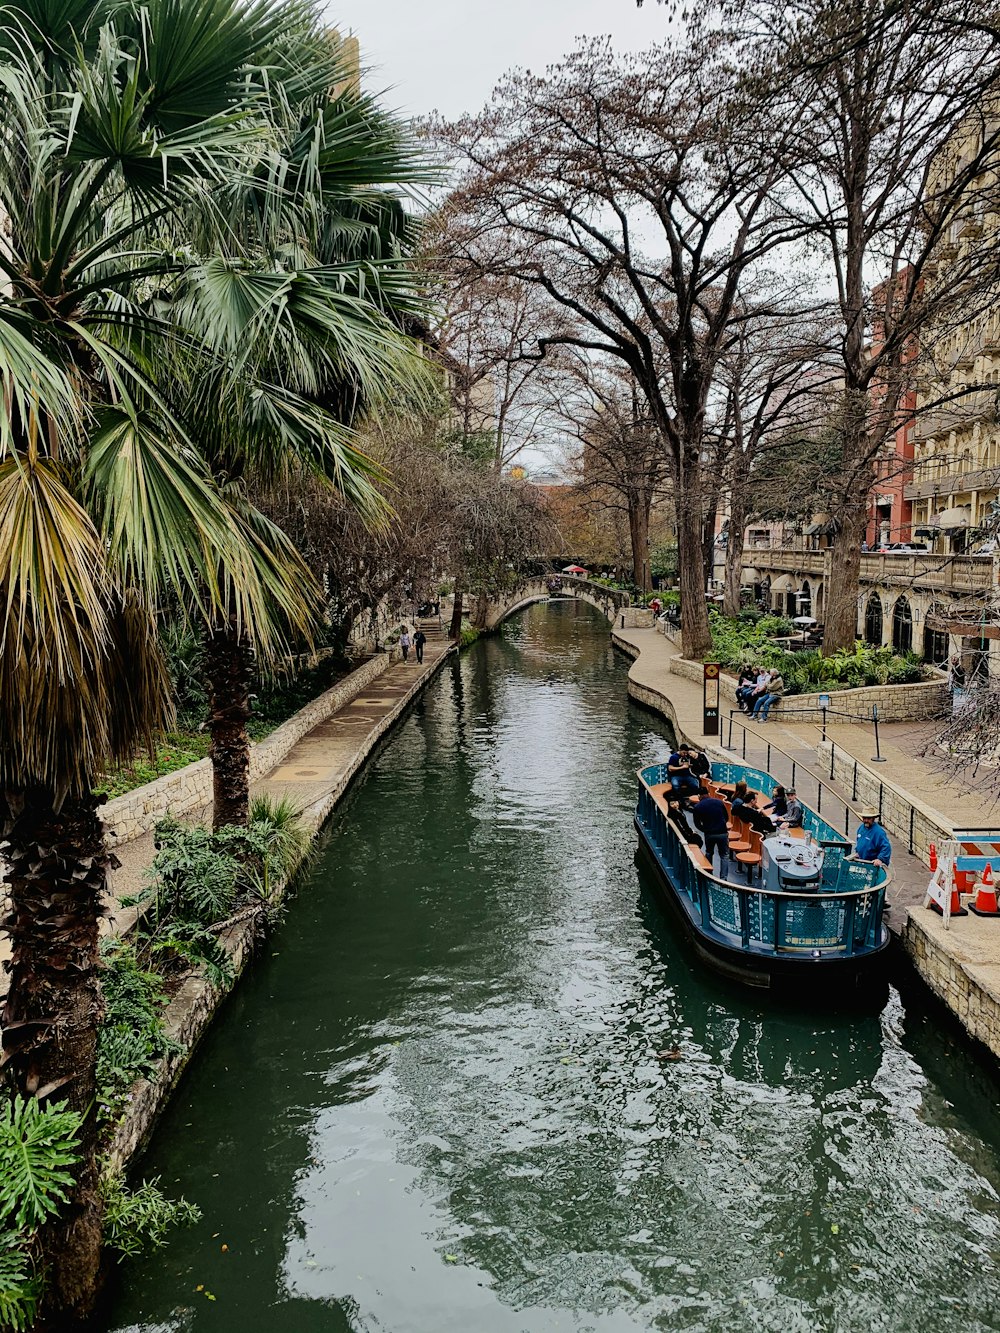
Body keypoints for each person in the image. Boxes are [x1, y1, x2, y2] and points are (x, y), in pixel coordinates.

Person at [690, 792, 730, 877]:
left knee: (709, 852)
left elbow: (697, 823)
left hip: (709, 834)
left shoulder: (697, 807)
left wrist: (704, 830)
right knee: (724, 855)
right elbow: (726, 817)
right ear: (708, 793)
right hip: (722, 832)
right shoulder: (719, 802)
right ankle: (723, 878)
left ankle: (708, 874)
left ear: (699, 796)